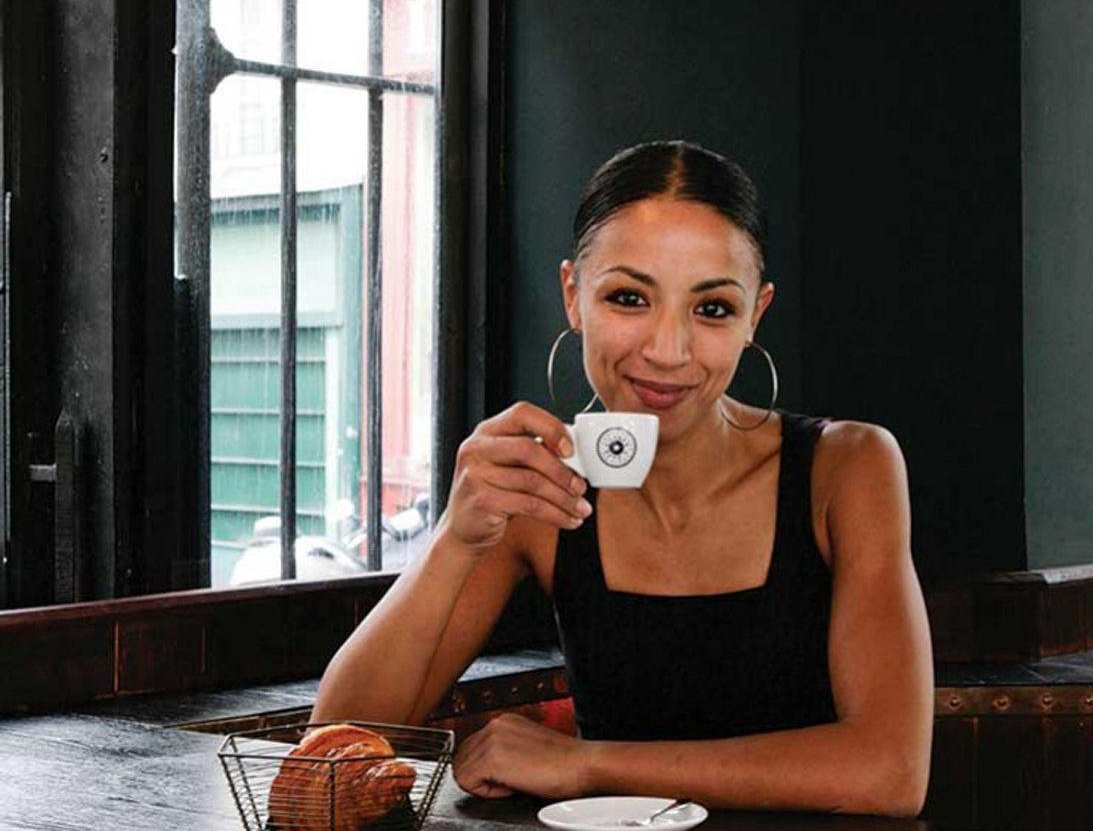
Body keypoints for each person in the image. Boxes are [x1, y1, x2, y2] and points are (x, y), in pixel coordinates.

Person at [313, 140, 933, 817]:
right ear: (573, 296)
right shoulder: (540, 489)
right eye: (629, 298)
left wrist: (587, 764)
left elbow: (890, 773)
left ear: (755, 314)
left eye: (712, 308)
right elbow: (331, 755)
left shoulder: (847, 466)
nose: (666, 351)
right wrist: (455, 541)